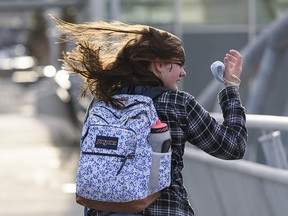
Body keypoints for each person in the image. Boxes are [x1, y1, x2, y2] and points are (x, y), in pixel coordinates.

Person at [53, 16, 247, 216]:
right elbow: (233, 147)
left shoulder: (102, 102)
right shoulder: (177, 103)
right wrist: (230, 87)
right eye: (179, 64)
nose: (183, 73)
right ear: (158, 65)